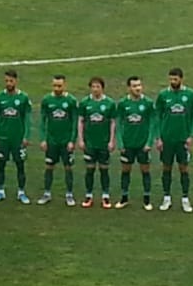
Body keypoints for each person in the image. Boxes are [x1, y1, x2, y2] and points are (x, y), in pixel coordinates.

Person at [155, 67, 193, 212]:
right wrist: (158, 138)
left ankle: (185, 198)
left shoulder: (190, 94)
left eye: (175, 79)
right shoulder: (163, 95)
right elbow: (157, 117)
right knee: (166, 167)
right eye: (171, 79)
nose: (173, 82)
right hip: (167, 139)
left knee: (183, 168)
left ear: (181, 79)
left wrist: (190, 135)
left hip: (182, 139)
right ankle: (166, 197)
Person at [114, 75, 156, 210]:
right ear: (129, 88)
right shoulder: (122, 104)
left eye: (139, 85)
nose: (138, 88)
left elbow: (152, 124)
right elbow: (119, 124)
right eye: (134, 86)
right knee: (126, 170)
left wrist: (149, 142)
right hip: (128, 145)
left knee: (145, 171)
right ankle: (124, 198)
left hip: (143, 145)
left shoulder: (148, 103)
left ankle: (147, 199)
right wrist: (120, 143)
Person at [0, 70, 31, 204]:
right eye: (6, 81)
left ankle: (21, 192)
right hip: (3, 138)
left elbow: (27, 119)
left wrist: (26, 136)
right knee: (1, 165)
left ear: (16, 81)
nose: (9, 83)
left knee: (20, 165)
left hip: (17, 139)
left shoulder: (23, 98)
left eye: (11, 81)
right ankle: (0, 191)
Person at [38, 74, 79, 206]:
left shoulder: (71, 101)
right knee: (49, 166)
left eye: (59, 85)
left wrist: (72, 140)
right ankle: (47, 193)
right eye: (55, 85)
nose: (57, 88)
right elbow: (43, 121)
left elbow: (74, 122)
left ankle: (69, 195)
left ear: (64, 85)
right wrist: (43, 139)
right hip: (52, 141)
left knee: (68, 167)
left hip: (66, 141)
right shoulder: (47, 100)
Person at [77, 76, 117, 209]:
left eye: (97, 87)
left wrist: (112, 140)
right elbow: (81, 121)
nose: (95, 89)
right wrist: (81, 139)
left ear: (102, 88)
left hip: (104, 143)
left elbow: (112, 122)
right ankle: (89, 195)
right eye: (93, 87)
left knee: (104, 170)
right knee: (90, 169)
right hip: (90, 143)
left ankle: (105, 196)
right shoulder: (84, 103)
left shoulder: (110, 103)